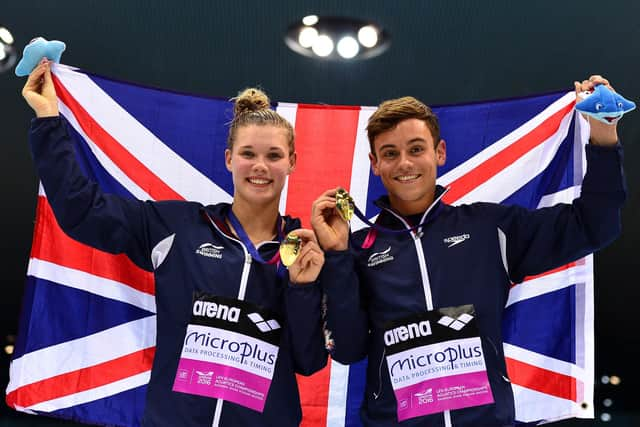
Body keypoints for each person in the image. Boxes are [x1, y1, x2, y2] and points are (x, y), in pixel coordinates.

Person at [22, 58, 327, 427]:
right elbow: (81, 210)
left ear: (292, 162)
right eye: (248, 154)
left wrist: (303, 289)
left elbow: (309, 361)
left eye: (273, 156)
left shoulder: (305, 251)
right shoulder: (176, 227)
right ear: (229, 159)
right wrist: (48, 120)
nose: (260, 166)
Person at [311, 76, 626, 426]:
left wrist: (603, 136)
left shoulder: (487, 228)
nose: (404, 163)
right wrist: (337, 255)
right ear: (375, 163)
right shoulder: (358, 250)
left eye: (416, 149)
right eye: (390, 153)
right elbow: (348, 348)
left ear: (439, 152)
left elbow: (595, 225)